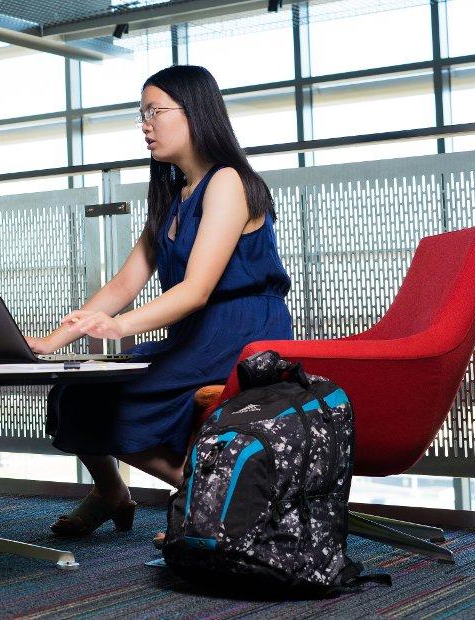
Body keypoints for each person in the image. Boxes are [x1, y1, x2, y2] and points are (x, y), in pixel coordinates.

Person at [25, 65, 293, 540]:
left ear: (195, 113)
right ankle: (113, 494)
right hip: (196, 334)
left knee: (110, 402)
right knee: (75, 391)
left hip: (242, 336)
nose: (145, 124)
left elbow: (196, 291)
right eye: (141, 113)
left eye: (155, 111)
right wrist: (51, 342)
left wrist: (120, 328)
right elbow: (125, 283)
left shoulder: (228, 181)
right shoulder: (173, 196)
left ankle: (211, 501)